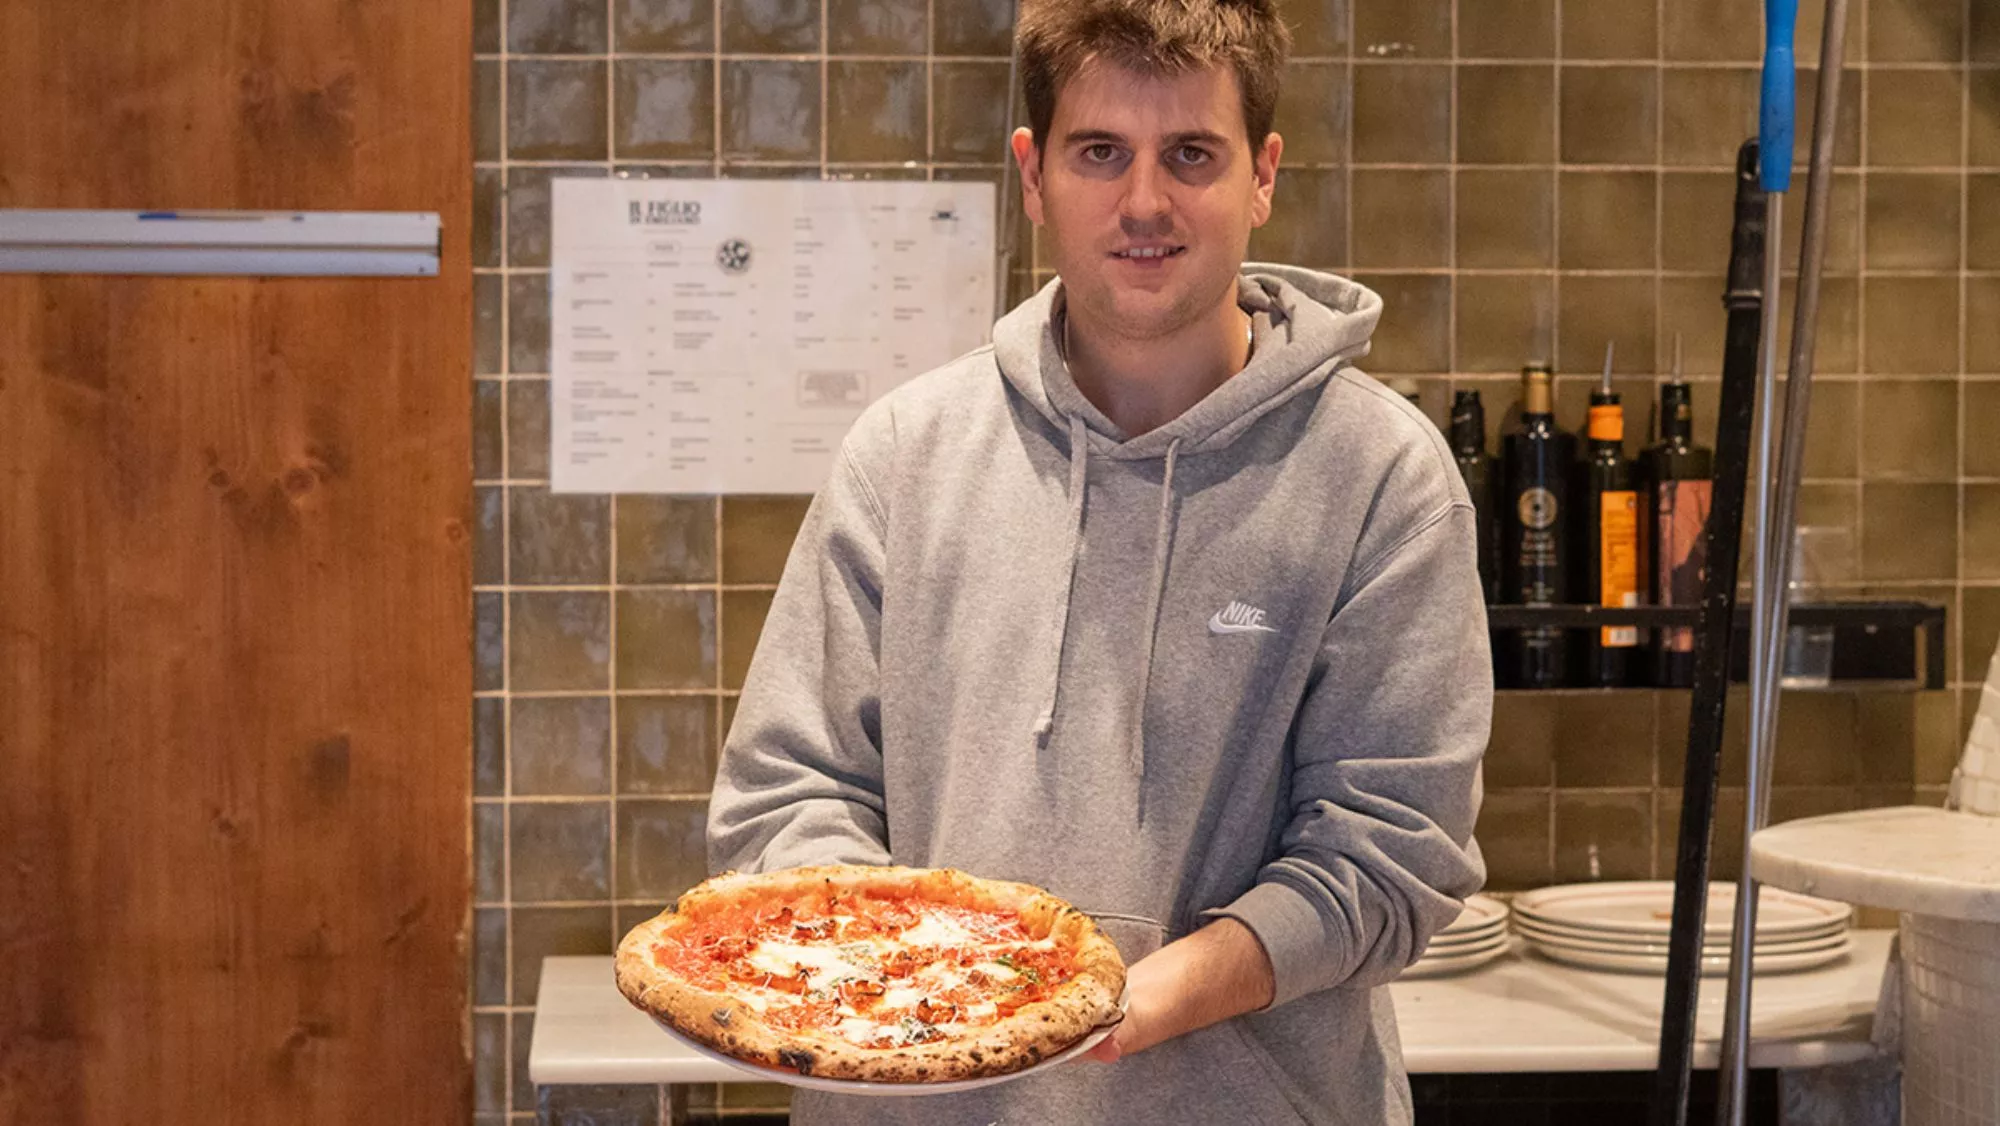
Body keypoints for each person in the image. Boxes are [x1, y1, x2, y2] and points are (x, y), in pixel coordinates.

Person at [706, 0, 1490, 1121]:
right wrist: (942, 985)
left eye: (1189, 154)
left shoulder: (1380, 478)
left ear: (1260, 174)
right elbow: (786, 792)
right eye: (1098, 153)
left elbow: (1388, 853)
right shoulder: (904, 454)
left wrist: (1124, 998)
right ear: (1033, 174)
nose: (1142, 202)